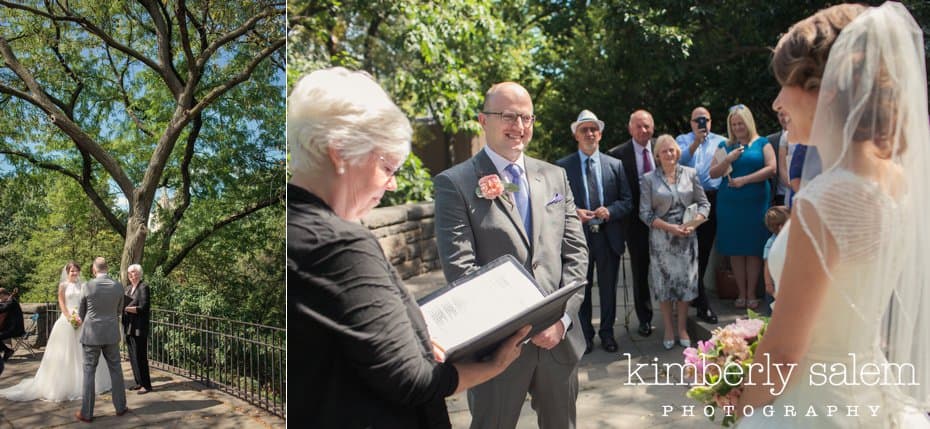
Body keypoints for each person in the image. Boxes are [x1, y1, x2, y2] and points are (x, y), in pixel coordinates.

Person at [287, 68, 528, 428]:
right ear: (339, 153)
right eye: (387, 166)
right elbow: (413, 380)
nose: (394, 185)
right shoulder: (341, 245)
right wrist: (491, 366)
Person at [738, 3, 930, 427]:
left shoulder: (823, 201)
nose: (776, 101)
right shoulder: (896, 183)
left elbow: (785, 352)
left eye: (783, 86)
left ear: (820, 88)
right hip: (869, 389)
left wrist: (739, 403)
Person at [434, 82, 588, 429]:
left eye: (526, 117)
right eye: (508, 116)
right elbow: (462, 272)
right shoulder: (454, 184)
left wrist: (562, 321)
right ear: (482, 120)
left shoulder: (555, 177)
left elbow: (576, 254)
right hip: (497, 351)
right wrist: (517, 329)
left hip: (557, 343)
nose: (518, 126)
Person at [556, 109, 632, 354]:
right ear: (576, 136)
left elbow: (627, 201)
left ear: (599, 134)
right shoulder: (562, 168)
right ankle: (585, 335)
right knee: (582, 290)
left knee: (609, 289)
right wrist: (574, 212)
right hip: (578, 240)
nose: (589, 133)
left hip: (608, 237)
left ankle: (607, 333)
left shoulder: (615, 165)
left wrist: (610, 211)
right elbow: (555, 203)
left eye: (593, 129)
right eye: (584, 130)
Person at [0, 262, 111, 402]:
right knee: (64, 353)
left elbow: (86, 302)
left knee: (84, 353)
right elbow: (62, 303)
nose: (75, 273)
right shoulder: (63, 286)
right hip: (66, 320)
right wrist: (70, 318)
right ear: (67, 272)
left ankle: (87, 383)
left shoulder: (83, 285)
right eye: (72, 271)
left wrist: (81, 317)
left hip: (81, 320)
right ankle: (63, 385)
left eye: (77, 271)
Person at [639, 135, 709, 350]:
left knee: (685, 286)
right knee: (664, 286)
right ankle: (668, 329)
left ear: (678, 152)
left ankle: (682, 328)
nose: (669, 154)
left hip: (687, 239)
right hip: (662, 240)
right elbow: (644, 213)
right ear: (657, 156)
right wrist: (670, 228)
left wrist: (694, 224)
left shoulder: (691, 174)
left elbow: (704, 204)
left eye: (672, 150)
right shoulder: (649, 179)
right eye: (664, 151)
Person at [709, 104, 775, 310]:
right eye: (734, 124)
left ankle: (753, 293)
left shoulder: (762, 143)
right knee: (736, 249)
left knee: (754, 248)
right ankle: (741, 293)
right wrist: (728, 159)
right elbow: (712, 173)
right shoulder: (724, 146)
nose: (737, 127)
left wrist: (745, 180)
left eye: (740, 123)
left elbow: (772, 168)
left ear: (749, 122)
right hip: (730, 204)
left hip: (755, 203)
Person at [606, 109, 657, 337]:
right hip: (634, 223)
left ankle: (674, 314)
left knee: (668, 267)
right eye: (638, 126)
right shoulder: (616, 155)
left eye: (646, 126)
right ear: (630, 129)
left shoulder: (663, 147)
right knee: (640, 270)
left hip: (664, 219)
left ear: (652, 127)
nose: (643, 130)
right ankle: (644, 318)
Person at [676, 106, 726, 324]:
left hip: (712, 198)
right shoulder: (683, 140)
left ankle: (696, 293)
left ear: (711, 121)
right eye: (697, 120)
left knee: (704, 250)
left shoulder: (720, 141)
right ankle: (702, 302)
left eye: (704, 119)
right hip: (690, 201)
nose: (701, 124)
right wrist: (696, 141)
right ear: (691, 123)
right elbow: (680, 162)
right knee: (690, 250)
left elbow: (726, 168)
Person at [75, 257, 128, 423]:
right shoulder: (118, 286)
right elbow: (119, 310)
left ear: (94, 269)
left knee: (89, 372)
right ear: (107, 268)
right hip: (111, 334)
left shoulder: (87, 286)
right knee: (116, 370)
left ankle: (87, 413)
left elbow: (81, 313)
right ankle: (120, 407)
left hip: (91, 335)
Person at [123, 264, 152, 394]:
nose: (131, 275)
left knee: (140, 356)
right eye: (129, 273)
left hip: (139, 326)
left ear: (139, 274)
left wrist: (127, 309)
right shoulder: (128, 288)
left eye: (133, 272)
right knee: (132, 356)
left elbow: (144, 307)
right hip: (128, 326)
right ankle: (138, 382)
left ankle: (146, 385)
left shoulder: (144, 287)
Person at [767, 111, 796, 207]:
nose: (784, 118)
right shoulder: (770, 140)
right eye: (781, 115)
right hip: (779, 195)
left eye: (787, 113)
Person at [761, 205, 789, 301]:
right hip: (775, 285)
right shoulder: (773, 243)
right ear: (782, 226)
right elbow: (767, 264)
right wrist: (768, 284)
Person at [0, 287, 24, 362]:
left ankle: (7, 351)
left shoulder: (11, 301)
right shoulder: (8, 301)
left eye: (0, 297)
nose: (0, 299)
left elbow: (3, 308)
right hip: (9, 328)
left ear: (3, 295)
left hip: (15, 329)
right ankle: (7, 351)